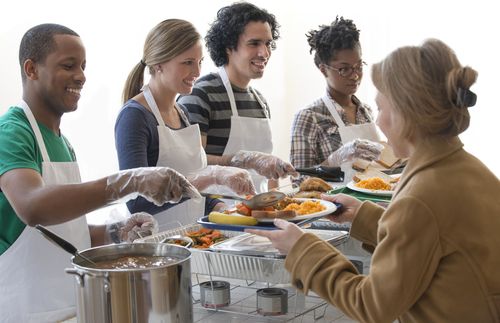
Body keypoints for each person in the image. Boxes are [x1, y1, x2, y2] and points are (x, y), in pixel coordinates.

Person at [248, 39, 500, 322]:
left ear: (408, 113)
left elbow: (371, 305)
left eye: (382, 108)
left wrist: (302, 249)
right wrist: (363, 217)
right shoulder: (470, 170)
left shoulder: (421, 196)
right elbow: (431, 239)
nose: (378, 122)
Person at [0, 23, 199, 322]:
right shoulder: (13, 132)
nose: (80, 76)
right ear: (31, 69)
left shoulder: (61, 142)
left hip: (68, 303)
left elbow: (65, 232)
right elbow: (32, 207)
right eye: (68, 66)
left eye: (82, 66)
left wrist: (115, 232)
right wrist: (124, 183)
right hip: (24, 309)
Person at [116, 19, 258, 230]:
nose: (197, 72)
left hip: (194, 236)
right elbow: (136, 200)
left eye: (200, 62)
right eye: (188, 62)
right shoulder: (135, 117)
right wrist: (212, 175)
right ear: (159, 64)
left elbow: (195, 193)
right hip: (160, 242)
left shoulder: (181, 113)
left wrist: (221, 208)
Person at [177, 2, 297, 193]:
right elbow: (190, 163)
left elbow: (268, 170)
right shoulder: (201, 95)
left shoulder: (260, 101)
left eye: (268, 43)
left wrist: (278, 199)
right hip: (216, 213)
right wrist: (245, 159)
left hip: (256, 211)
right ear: (228, 46)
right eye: (254, 43)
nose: (264, 53)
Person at [289, 17, 382, 181]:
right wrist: (335, 159)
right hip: (334, 205)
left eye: (359, 66)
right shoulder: (308, 117)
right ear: (323, 70)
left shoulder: (366, 111)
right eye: (344, 69)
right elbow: (299, 181)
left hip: (370, 202)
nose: (355, 75)